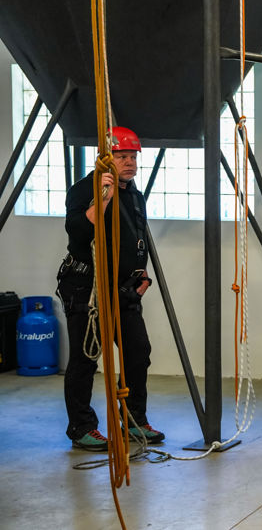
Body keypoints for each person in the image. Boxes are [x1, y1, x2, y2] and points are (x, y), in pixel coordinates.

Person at [57, 126, 163, 451]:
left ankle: (133, 420)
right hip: (86, 289)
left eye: (132, 157)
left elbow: (136, 240)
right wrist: (103, 197)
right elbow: (77, 233)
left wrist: (140, 275)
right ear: (106, 158)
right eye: (122, 157)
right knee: (85, 358)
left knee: (137, 352)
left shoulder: (134, 195)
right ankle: (81, 427)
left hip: (123, 290)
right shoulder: (83, 189)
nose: (129, 163)